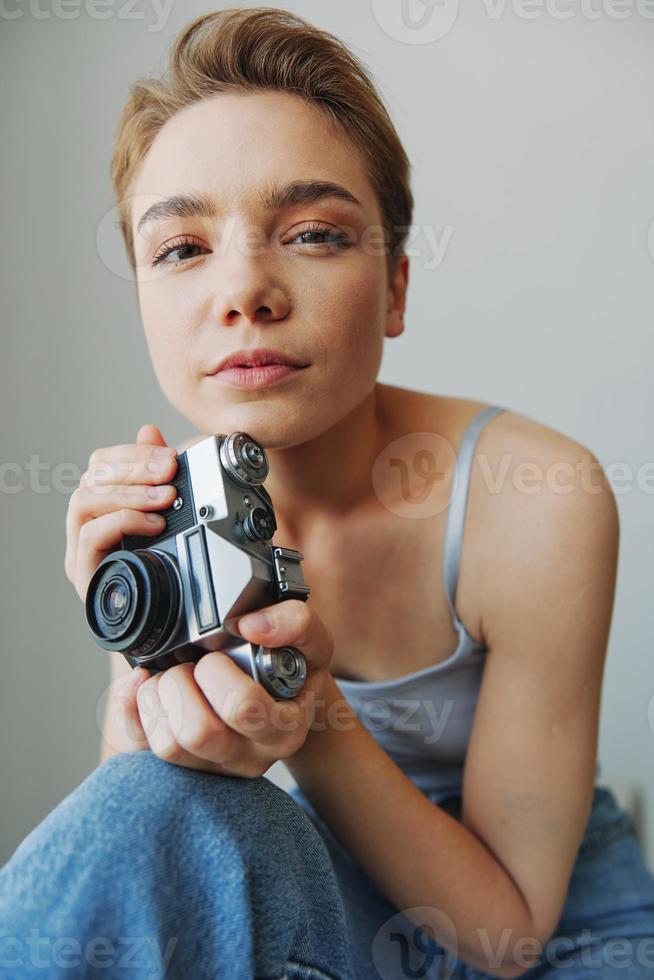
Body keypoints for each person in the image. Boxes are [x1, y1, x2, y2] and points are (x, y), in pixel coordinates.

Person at [2, 7, 653, 979]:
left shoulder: (535, 496)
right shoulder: (165, 516)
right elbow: (142, 841)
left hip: (546, 934)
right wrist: (137, 642)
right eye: (181, 249)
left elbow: (506, 932)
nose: (245, 290)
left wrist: (312, 712)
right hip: (322, 906)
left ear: (395, 287)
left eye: (311, 233)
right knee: (151, 807)